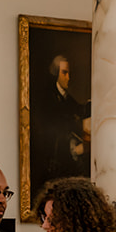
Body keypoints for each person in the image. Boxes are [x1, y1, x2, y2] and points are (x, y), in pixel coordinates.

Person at [33, 54, 89, 187]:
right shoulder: (48, 99)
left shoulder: (66, 97)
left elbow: (78, 110)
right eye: (64, 73)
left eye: (68, 73)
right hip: (56, 158)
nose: (68, 78)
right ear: (55, 73)